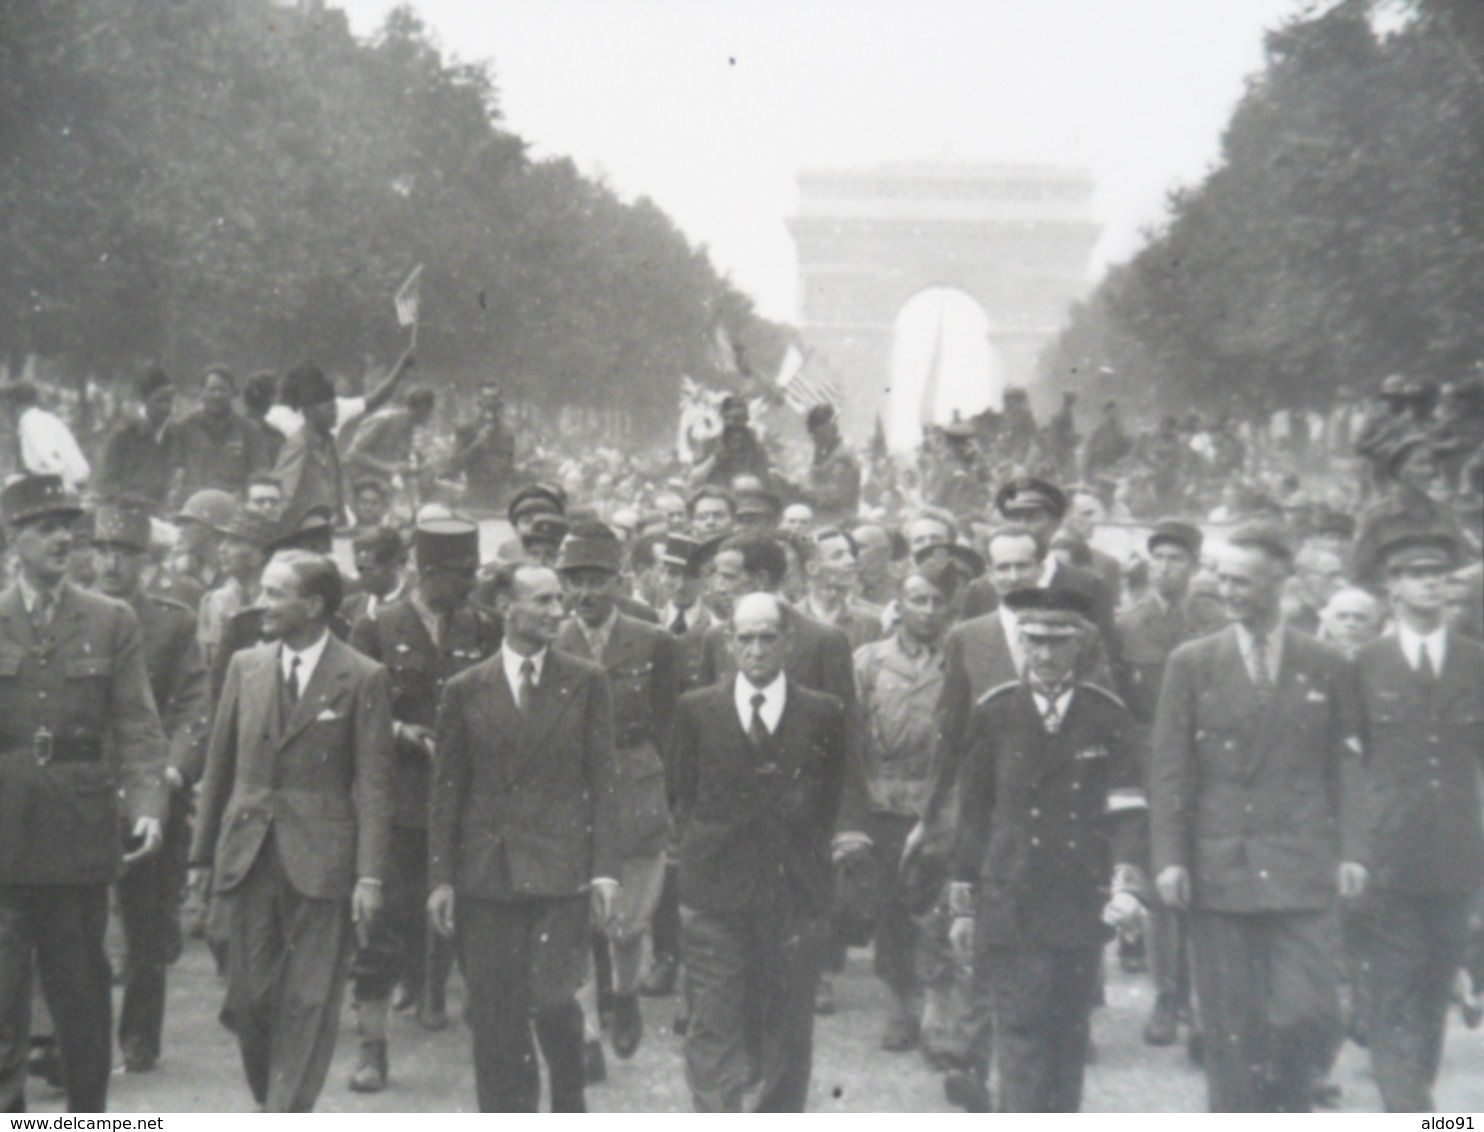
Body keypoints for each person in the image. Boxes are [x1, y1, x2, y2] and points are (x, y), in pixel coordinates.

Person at [1149, 522, 1366, 1112]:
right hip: (1221, 867)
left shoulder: (1326, 664)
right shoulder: (1192, 663)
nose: (1227, 590)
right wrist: (1168, 859)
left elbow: (1346, 767)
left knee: (1310, 1013)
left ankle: (1289, 1104)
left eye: (1241, 580)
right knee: (1230, 1031)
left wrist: (1352, 851)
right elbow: (1170, 768)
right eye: (1221, 578)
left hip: (1302, 867)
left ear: (1280, 582)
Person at [191, 550, 395, 1112]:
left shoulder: (361, 675)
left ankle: (284, 1114)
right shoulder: (245, 666)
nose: (263, 603)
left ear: (314, 605)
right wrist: (200, 857)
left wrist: (369, 876)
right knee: (249, 1000)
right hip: (249, 855)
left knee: (308, 1001)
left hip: (323, 862)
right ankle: (275, 1105)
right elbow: (220, 764)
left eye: (276, 593)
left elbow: (375, 785)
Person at [0, 475, 168, 1112]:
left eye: (67, 525)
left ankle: (88, 1118)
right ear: (14, 539)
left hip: (78, 835)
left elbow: (137, 724)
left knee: (82, 996)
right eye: (45, 527)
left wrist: (147, 806)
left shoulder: (110, 620)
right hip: (5, 836)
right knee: (3, 995)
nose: (63, 538)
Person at [427, 562, 621, 1113]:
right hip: (488, 875)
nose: (558, 609)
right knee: (494, 1015)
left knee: (556, 999)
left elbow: (604, 782)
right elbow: (446, 791)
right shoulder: (466, 689)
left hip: (561, 873)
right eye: (543, 600)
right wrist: (440, 879)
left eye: (560, 599)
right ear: (507, 608)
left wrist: (606, 869)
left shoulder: (585, 681)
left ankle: (567, 1101)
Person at [949, 588, 1140, 1112]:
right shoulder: (994, 713)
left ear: (1079, 645)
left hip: (1080, 898)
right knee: (1022, 1030)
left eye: (1059, 643)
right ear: (1024, 644)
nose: (1047, 655)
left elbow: (1125, 809)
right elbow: (974, 814)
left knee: (1069, 1035)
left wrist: (1126, 883)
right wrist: (964, 906)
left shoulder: (1106, 716)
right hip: (1013, 896)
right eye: (1036, 642)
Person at [669, 592, 858, 1111]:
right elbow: (682, 793)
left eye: (767, 637)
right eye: (745, 638)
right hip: (715, 893)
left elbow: (834, 792)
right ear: (729, 642)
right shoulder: (695, 709)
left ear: (788, 642)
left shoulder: (823, 713)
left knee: (790, 1028)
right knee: (713, 1021)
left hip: (794, 891)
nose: (755, 649)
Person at [344, 518, 499, 1091]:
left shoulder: (485, 627)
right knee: (382, 924)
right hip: (402, 802)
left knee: (476, 916)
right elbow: (359, 710)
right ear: (429, 573)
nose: (470, 585)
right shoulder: (377, 628)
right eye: (462, 575)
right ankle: (372, 1048)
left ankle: (477, 1023)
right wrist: (402, 731)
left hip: (466, 802)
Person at [1348, 532, 1484, 1112]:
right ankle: (1411, 1114)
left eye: (1440, 573)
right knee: (1393, 989)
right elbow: (1350, 763)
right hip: (1388, 852)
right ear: (1392, 586)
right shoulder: (1363, 664)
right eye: (1418, 572)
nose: (1433, 581)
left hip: (1456, 853)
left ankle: (1415, 1103)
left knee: (1433, 990)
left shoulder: (1476, 660)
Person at [89, 502, 209, 1073]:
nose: (111, 563)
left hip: (149, 789)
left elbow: (193, 705)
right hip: (83, 788)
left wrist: (174, 771)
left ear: (146, 560)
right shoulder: (72, 616)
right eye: (102, 550)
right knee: (77, 921)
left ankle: (139, 1037)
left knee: (146, 924)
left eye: (125, 553)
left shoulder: (172, 622)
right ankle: (74, 1038)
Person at [554, 522, 679, 1063]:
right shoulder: (553, 641)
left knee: (627, 921)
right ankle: (584, 1031)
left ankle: (624, 997)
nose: (585, 593)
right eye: (575, 581)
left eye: (597, 581)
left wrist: (669, 797)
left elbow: (672, 725)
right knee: (574, 916)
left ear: (619, 581)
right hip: (570, 787)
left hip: (636, 780)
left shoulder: (653, 640)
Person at [852, 562, 956, 1053]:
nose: (928, 610)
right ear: (900, 604)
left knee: (937, 907)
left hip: (938, 802)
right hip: (883, 802)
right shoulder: (869, 661)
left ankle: (938, 1008)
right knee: (890, 906)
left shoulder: (960, 661)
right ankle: (899, 1002)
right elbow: (851, 737)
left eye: (937, 601)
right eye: (918, 599)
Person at [1112, 520, 1207, 1048]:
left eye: (1176, 558)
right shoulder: (1127, 627)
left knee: (1206, 884)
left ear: (1194, 565)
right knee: (1163, 886)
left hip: (1209, 770)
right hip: (1149, 769)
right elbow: (1120, 709)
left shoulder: (1213, 621)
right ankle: (1168, 997)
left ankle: (1203, 1002)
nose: (1165, 567)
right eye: (1158, 558)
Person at [1353, 435, 1477, 586]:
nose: (1429, 470)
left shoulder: (1446, 516)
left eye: (1432, 464)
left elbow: (1460, 567)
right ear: (1399, 470)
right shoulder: (1378, 518)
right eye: (1420, 463)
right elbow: (1360, 575)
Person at [172, 364, 268, 502]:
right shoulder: (185, 427)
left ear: (232, 392)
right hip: (193, 507)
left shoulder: (249, 430)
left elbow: (260, 473)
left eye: (222, 389)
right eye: (212, 389)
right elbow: (175, 471)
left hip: (233, 508)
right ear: (202, 392)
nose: (217, 395)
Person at [273, 362, 349, 530]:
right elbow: (284, 494)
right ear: (310, 411)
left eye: (335, 407)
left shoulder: (329, 443)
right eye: (328, 408)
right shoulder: (299, 444)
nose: (334, 412)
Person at [100, 368, 180, 511]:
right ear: (145, 400)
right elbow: (107, 483)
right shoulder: (123, 437)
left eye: (169, 401)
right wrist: (127, 498)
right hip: (129, 514)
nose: (165, 408)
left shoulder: (178, 436)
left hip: (167, 514)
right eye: (159, 401)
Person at [3, 381, 91, 490]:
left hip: (63, 484)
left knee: (12, 482)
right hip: (66, 481)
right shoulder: (44, 418)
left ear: (11, 404)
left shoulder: (31, 422)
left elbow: (52, 463)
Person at [445, 383, 517, 511]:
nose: (490, 403)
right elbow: (454, 464)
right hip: (473, 498)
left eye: (494, 398)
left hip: (499, 501)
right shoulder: (466, 429)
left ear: (500, 402)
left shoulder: (507, 433)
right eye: (486, 398)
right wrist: (477, 444)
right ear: (479, 401)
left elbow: (509, 466)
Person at [344, 388, 435, 488]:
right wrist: (389, 467)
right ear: (423, 408)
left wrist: (416, 468)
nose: (430, 416)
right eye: (430, 411)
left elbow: (396, 463)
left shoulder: (409, 429)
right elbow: (354, 454)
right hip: (358, 483)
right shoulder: (384, 419)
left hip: (380, 486)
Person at [688, 396, 770, 491]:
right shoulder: (709, 444)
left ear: (745, 419)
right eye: (727, 418)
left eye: (737, 418)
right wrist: (715, 459)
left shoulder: (755, 447)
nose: (731, 423)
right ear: (722, 418)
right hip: (717, 497)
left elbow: (764, 480)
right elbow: (693, 480)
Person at [340, 527, 409, 627]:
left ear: (394, 565)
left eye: (370, 571)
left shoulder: (413, 607)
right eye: (360, 570)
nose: (362, 578)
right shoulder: (348, 607)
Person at [805, 403, 861, 525]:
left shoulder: (842, 456)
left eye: (816, 433)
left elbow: (834, 496)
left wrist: (798, 490)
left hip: (839, 521)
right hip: (823, 517)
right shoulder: (824, 453)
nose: (814, 438)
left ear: (828, 428)